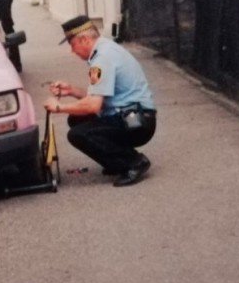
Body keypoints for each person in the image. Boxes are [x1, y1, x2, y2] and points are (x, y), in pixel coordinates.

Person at [44, 15, 157, 187]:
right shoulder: (106, 49)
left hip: (137, 123)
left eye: (72, 44)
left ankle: (133, 162)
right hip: (134, 116)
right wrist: (71, 90)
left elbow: (93, 105)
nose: (72, 51)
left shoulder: (102, 59)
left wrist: (58, 107)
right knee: (77, 119)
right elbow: (98, 98)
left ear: (84, 39)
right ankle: (116, 161)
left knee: (77, 134)